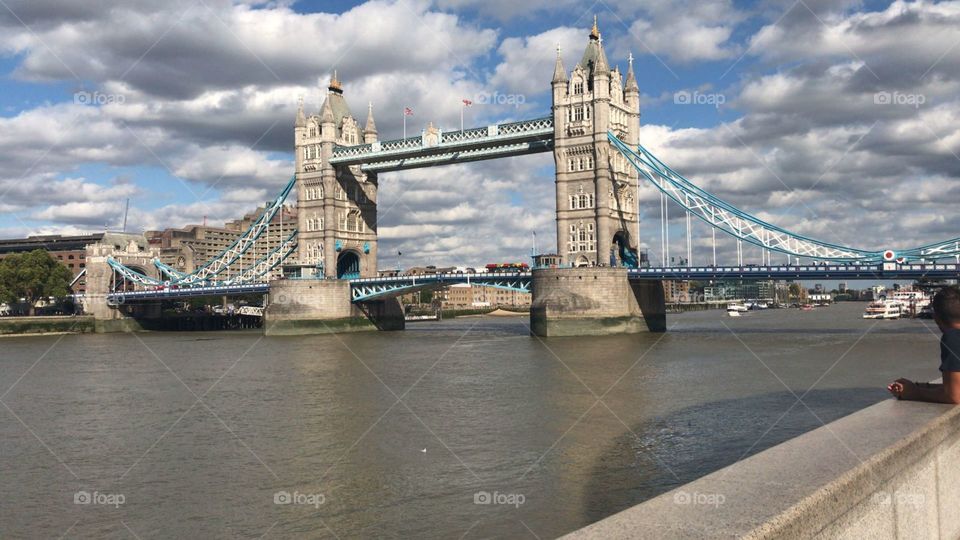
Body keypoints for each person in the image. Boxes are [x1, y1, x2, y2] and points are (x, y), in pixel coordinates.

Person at [888, 286, 960, 404]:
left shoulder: (952, 337)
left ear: (936, 318)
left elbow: (955, 396)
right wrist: (922, 387)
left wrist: (913, 392)